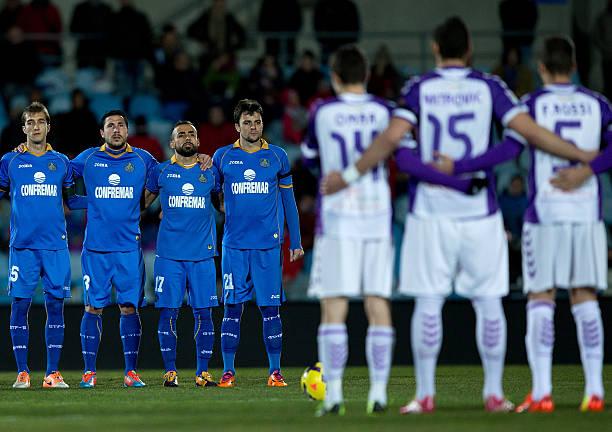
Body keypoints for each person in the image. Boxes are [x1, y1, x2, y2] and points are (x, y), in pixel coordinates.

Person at [321, 17, 596, 414]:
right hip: (480, 213)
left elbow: (398, 146)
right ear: (469, 49)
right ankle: (494, 394)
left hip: (429, 213)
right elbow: (523, 138)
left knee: (428, 304)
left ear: (435, 48)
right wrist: (583, 157)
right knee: (489, 304)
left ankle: (425, 395)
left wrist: (350, 175)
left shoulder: (418, 88)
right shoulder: (490, 87)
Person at [301, 44, 483, 417]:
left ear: (334, 77)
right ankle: (378, 394)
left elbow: (310, 158)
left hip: (337, 221)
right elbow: (405, 155)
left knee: (333, 307)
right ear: (366, 75)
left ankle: (334, 396)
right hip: (376, 220)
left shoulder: (322, 111)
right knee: (377, 303)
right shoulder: (386, 112)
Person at [498, 37, 608, 413]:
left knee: (541, 298)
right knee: (585, 297)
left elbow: (508, 151)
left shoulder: (530, 105)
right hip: (585, 215)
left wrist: (463, 166)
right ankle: (595, 393)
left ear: (541, 67)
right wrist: (588, 170)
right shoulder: (598, 104)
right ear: (574, 64)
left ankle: (542, 393)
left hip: (544, 215)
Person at [212, 99, 303, 388]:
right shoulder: (222, 157)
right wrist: (221, 206)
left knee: (270, 309)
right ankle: (228, 372)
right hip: (234, 247)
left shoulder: (277, 156)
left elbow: (289, 200)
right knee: (232, 309)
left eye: (258, 122)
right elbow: (210, 189)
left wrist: (296, 241)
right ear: (237, 126)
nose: (253, 127)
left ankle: (275, 372)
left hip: (268, 246)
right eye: (248, 122)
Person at [70, 110, 158, 388]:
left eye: (121, 125)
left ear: (127, 130)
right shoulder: (88, 158)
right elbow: (56, 175)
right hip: (95, 250)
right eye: (111, 125)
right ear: (102, 132)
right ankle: (88, 372)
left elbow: (168, 174)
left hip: (129, 250)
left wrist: (202, 159)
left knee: (129, 308)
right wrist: (88, 201)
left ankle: (131, 373)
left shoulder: (143, 159)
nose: (116, 129)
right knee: (92, 308)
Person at [0, 102, 80, 389]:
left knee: (55, 307)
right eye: (30, 122)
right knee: (19, 306)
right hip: (23, 247)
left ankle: (52, 373)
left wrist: (111, 200)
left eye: (40, 122)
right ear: (23, 128)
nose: (36, 126)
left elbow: (73, 201)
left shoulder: (61, 162)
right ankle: (22, 372)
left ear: (49, 126)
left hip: (55, 247)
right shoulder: (10, 161)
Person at [144, 121, 219, 388]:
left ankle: (202, 372)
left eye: (192, 133)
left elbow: (222, 205)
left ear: (198, 141)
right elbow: (141, 205)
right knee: (168, 314)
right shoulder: (160, 172)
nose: (187, 137)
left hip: (202, 256)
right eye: (181, 135)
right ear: (172, 144)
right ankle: (170, 371)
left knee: (205, 314)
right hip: (169, 257)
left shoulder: (211, 171)